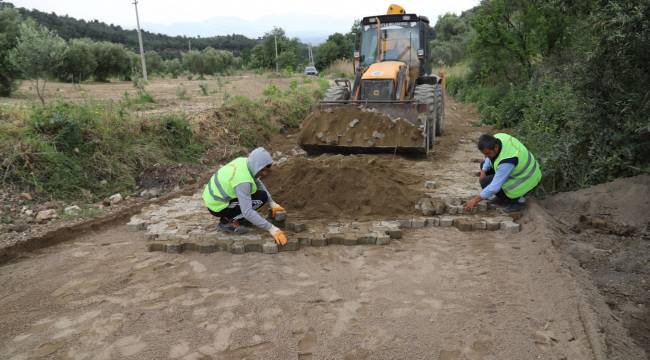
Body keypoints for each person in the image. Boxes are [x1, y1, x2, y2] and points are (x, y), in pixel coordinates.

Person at [202, 147, 287, 245]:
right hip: (217, 205)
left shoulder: (245, 162)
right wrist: (272, 229)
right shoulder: (243, 181)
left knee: (262, 196)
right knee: (257, 201)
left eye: (267, 170)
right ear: (256, 165)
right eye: (262, 170)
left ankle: (238, 218)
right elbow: (247, 212)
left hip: (214, 198)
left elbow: (258, 182)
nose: (265, 173)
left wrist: (272, 203)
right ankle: (227, 221)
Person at [464, 133, 542, 213]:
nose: (486, 156)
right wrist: (483, 171)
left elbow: (494, 187)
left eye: (488, 153)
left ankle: (517, 201)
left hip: (527, 178)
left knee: (485, 182)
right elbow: (488, 159)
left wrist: (474, 200)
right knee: (484, 165)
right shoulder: (498, 138)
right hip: (519, 169)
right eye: (484, 154)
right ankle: (502, 198)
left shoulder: (507, 161)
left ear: (496, 148)